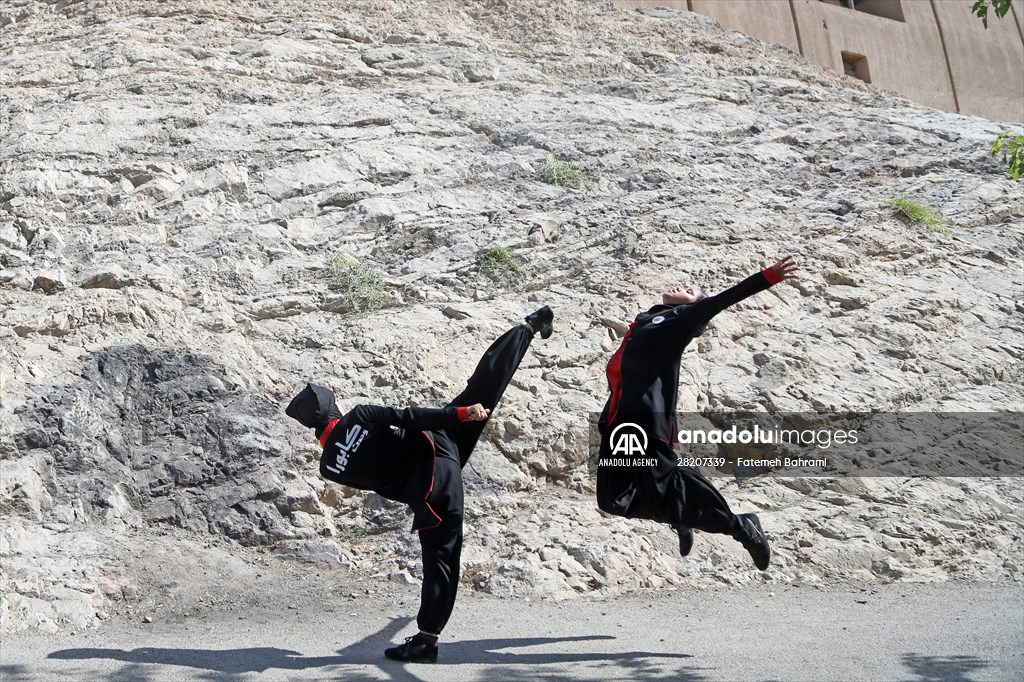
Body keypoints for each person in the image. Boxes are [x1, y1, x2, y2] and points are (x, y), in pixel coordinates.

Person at [285, 305, 553, 664]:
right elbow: (410, 418)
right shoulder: (360, 415)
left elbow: (386, 482)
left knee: (441, 560)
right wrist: (460, 414)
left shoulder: (330, 468)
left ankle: (427, 639)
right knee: (480, 389)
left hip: (431, 490)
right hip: (439, 441)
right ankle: (529, 328)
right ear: (333, 409)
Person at [596, 256, 798, 570]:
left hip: (645, 420)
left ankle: (741, 526)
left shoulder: (683, 319)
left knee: (670, 478)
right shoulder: (646, 320)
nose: (683, 286)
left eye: (692, 290)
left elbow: (726, 298)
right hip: (616, 422)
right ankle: (680, 517)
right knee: (612, 500)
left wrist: (767, 277)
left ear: (695, 304)